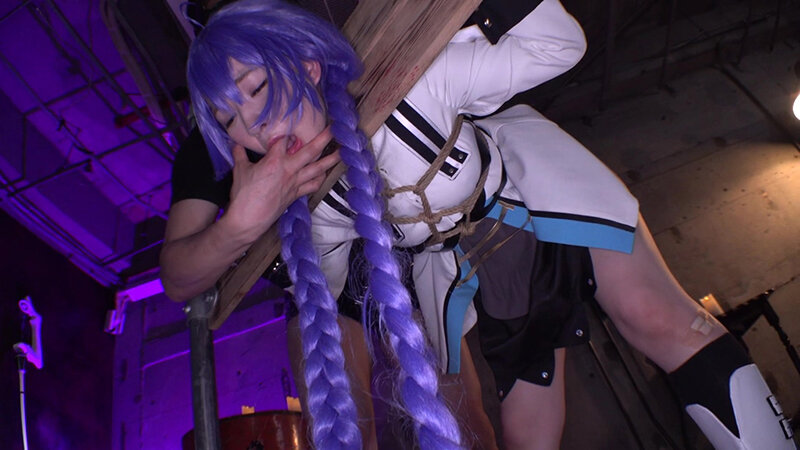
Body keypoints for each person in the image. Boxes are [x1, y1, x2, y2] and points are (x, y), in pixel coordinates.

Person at [161, 0, 797, 449]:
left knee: (662, 321)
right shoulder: (325, 207)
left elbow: (558, 45)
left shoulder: (418, 86)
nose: (255, 126)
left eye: (254, 87)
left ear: (305, 64)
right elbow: (319, 290)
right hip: (489, 280)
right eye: (229, 120)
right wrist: (255, 222)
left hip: (541, 201)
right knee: (527, 436)